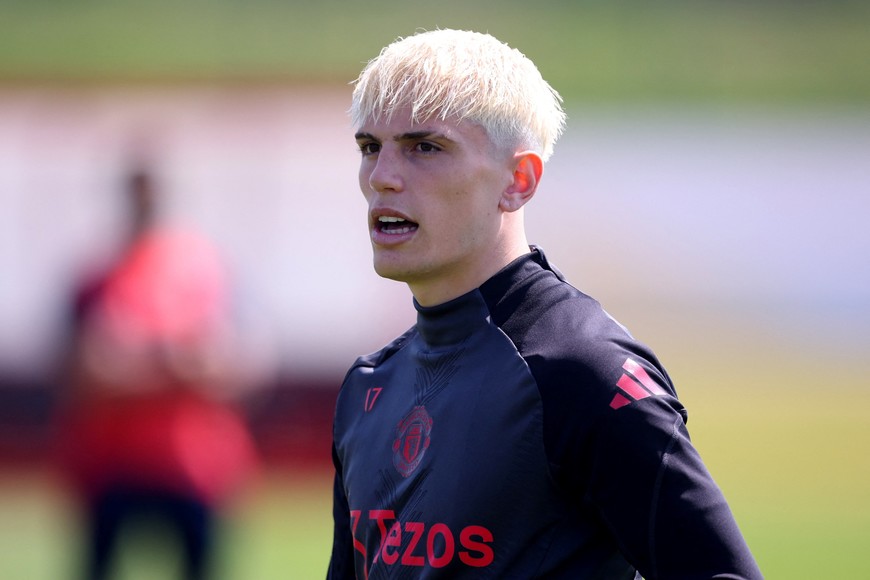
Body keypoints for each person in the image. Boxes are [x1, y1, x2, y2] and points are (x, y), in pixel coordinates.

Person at [327, 29, 762, 579]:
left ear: (519, 180)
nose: (382, 177)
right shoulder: (368, 386)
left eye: (425, 147)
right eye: (370, 147)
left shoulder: (582, 372)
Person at [56, 167, 259, 580]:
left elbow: (242, 365)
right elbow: (76, 372)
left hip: (194, 466)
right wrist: (173, 367)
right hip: (110, 465)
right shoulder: (95, 279)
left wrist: (137, 366)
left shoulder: (205, 271)